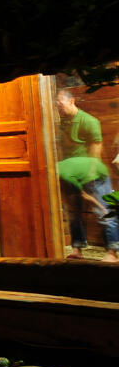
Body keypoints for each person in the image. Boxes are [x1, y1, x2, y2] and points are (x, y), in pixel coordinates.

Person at [55, 89, 119, 262]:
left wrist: (90, 175)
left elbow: (96, 147)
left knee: (103, 210)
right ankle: (77, 249)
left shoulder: (89, 121)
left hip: (93, 173)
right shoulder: (63, 123)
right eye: (56, 104)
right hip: (73, 172)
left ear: (72, 100)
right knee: (73, 212)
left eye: (60, 103)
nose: (58, 107)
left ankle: (112, 252)